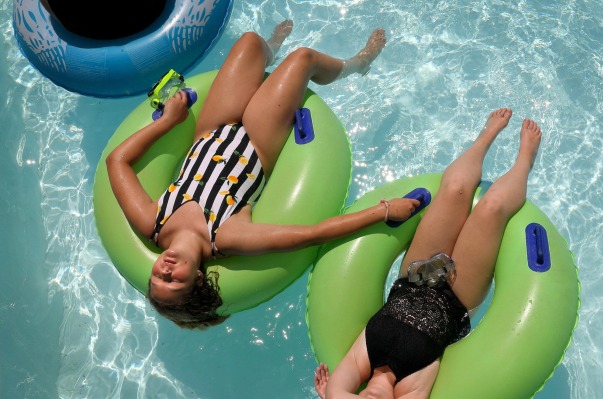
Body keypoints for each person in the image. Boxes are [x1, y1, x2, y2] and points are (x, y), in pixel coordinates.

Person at [106, 22, 420, 329]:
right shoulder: (226, 237)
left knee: (249, 42)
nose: (166, 270)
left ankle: (270, 49)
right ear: (198, 279)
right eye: (173, 281)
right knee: (303, 58)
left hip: (211, 129)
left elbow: (116, 162)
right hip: (258, 141)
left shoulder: (153, 223)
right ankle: (359, 63)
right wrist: (385, 211)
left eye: (157, 276)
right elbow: (311, 234)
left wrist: (168, 122)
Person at [314, 108, 543, 399]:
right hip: (457, 295)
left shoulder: (359, 361)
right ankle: (525, 159)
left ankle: (485, 137)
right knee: (492, 207)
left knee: (454, 188)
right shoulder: (411, 393)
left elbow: (336, 398)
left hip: (415, 276)